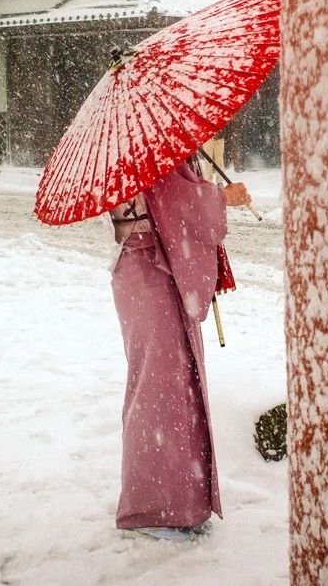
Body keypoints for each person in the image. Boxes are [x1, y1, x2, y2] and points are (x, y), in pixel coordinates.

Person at [107, 153, 252, 540]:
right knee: (163, 388)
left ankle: (170, 499)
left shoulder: (133, 145)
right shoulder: (150, 150)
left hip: (144, 271)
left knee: (163, 386)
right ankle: (158, 503)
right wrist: (223, 197)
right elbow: (181, 204)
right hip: (151, 270)